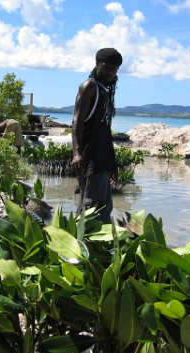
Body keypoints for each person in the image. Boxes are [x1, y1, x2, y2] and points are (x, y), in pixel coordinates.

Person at [72, 48, 122, 224]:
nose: (110, 72)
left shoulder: (105, 92)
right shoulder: (89, 87)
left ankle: (96, 246)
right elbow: (76, 122)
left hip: (102, 159)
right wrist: (76, 153)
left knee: (104, 206)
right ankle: (83, 245)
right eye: (106, 67)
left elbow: (104, 132)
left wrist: (112, 163)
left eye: (114, 69)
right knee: (92, 206)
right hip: (89, 157)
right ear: (97, 65)